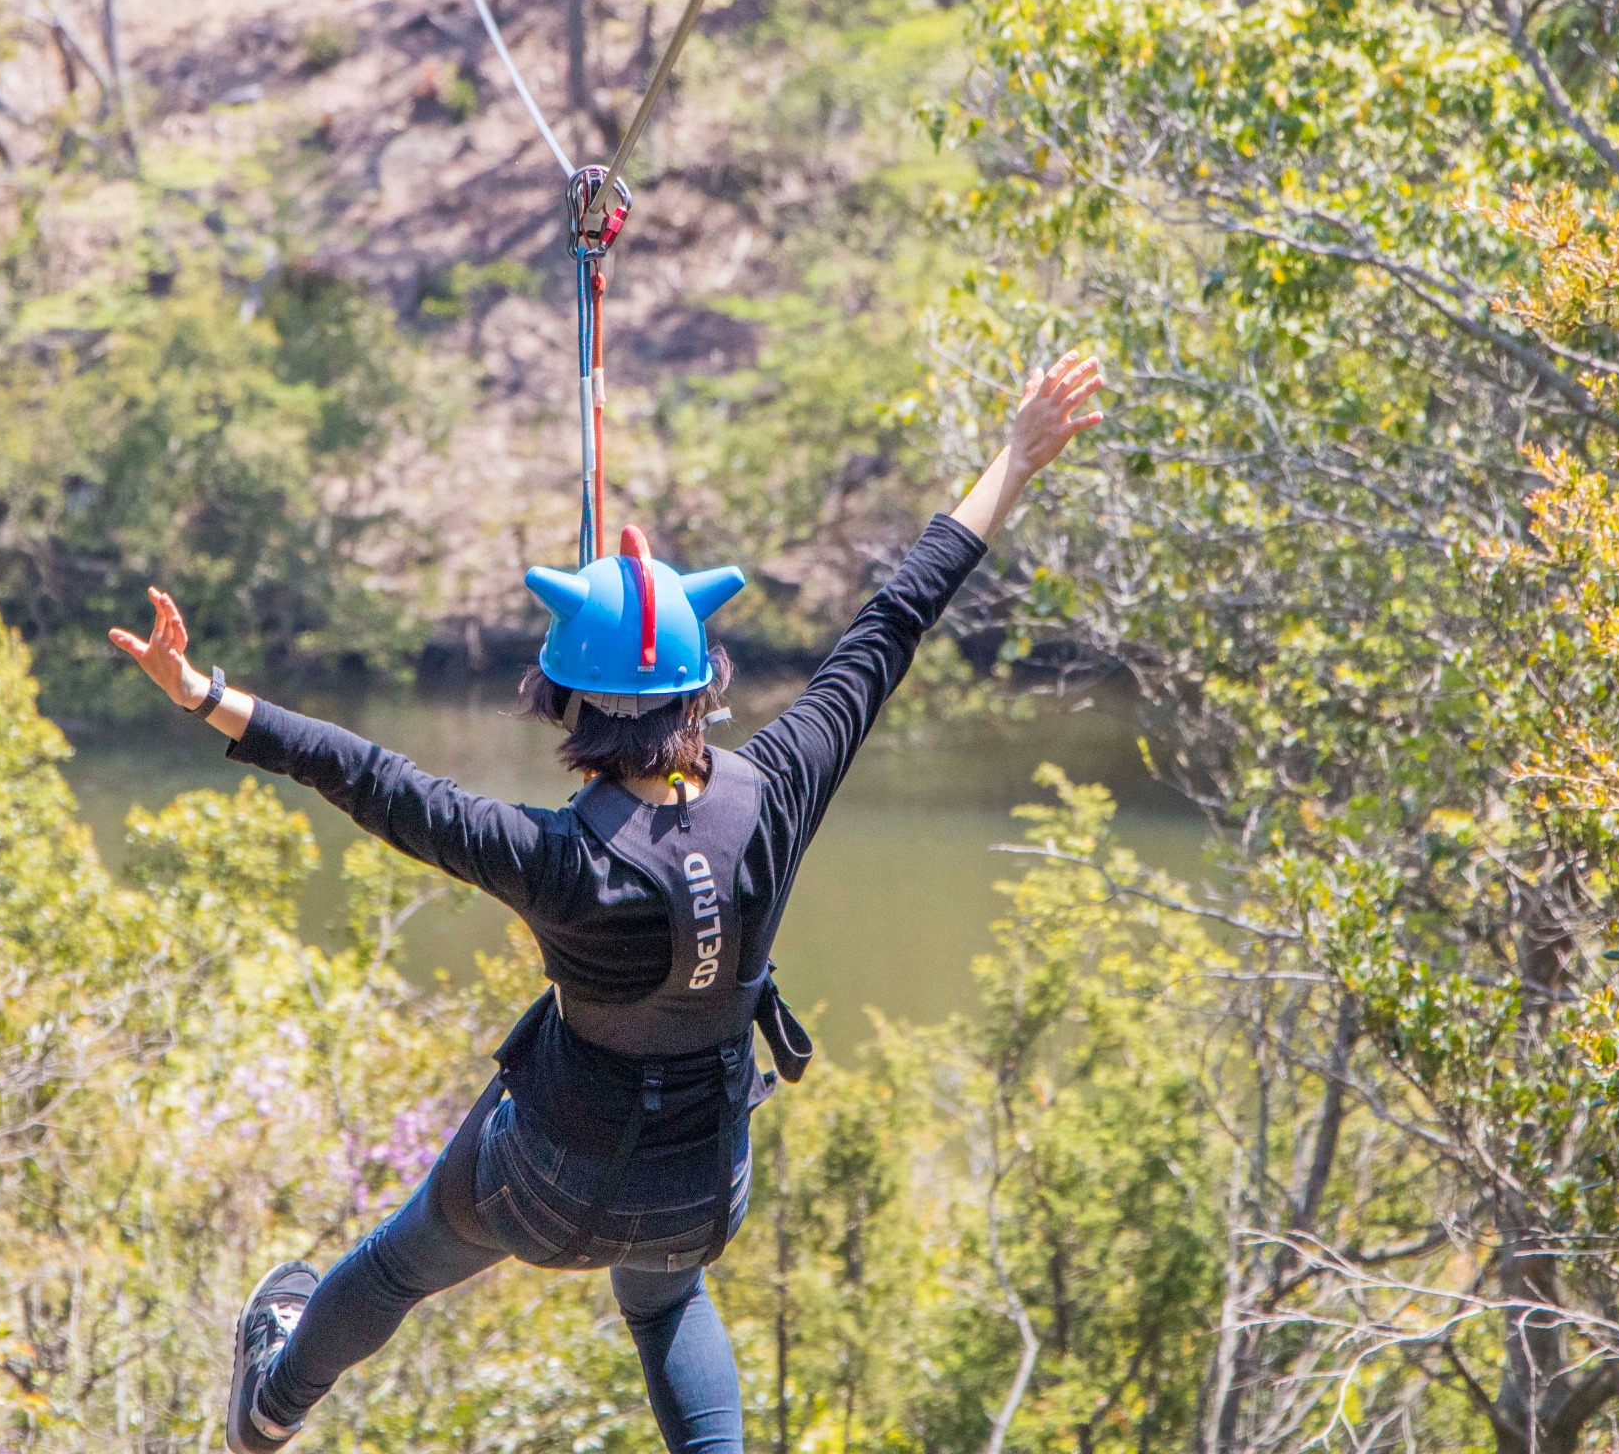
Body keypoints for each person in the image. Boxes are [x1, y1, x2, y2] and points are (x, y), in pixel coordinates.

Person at [109, 350, 1108, 1454]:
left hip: (544, 1177)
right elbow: (893, 621)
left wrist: (203, 692)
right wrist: (1014, 457)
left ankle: (269, 1406)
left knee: (399, 1260)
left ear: (565, 700)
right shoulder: (777, 787)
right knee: (669, 1298)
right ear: (700, 683)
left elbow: (372, 778)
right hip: (694, 1183)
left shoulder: (551, 857)